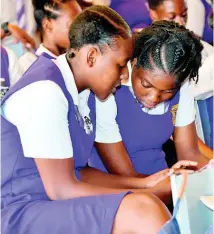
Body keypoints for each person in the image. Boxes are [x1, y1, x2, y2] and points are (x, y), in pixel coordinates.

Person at [1, 6, 175, 234]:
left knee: (148, 203)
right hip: (18, 211)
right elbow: (62, 189)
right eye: (120, 65)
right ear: (92, 57)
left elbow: (79, 171)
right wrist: (142, 193)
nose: (124, 76)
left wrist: (147, 183)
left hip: (48, 202)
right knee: (142, 211)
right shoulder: (46, 91)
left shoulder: (85, 93)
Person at [90, 21, 208, 184]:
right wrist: (177, 184)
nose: (154, 98)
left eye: (168, 91)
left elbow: (189, 155)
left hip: (165, 183)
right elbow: (126, 176)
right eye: (146, 84)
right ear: (134, 62)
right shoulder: (109, 89)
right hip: (119, 190)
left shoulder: (182, 86)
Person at [146, 0, 213, 160]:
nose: (180, 22)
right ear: (153, 14)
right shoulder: (150, 58)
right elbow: (174, 128)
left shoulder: (203, 50)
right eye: (172, 17)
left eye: (184, 15)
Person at [19, 0, 82, 72]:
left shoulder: (79, 60)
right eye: (73, 25)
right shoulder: (29, 64)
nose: (81, 31)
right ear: (47, 25)